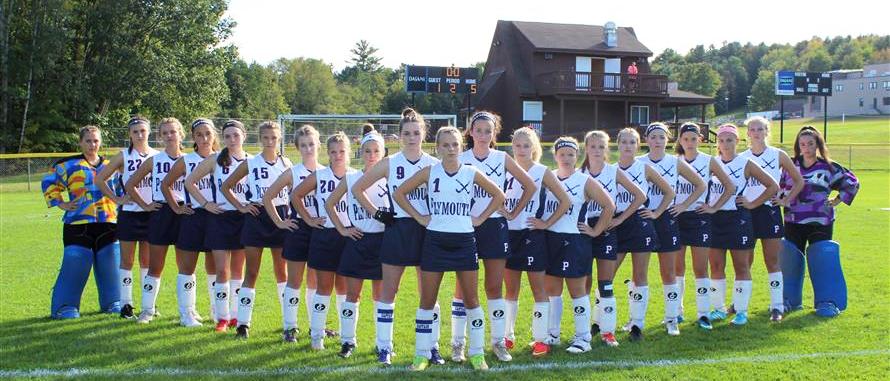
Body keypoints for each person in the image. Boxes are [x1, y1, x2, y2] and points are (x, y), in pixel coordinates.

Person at [394, 126, 505, 371]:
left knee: (472, 300)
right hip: (435, 241)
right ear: (438, 148)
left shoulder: (471, 172)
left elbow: (499, 196)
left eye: (455, 144)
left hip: (465, 242)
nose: (451, 149)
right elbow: (399, 193)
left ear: (461, 146)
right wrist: (421, 217)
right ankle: (421, 355)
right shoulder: (429, 172)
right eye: (446, 145)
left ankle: (477, 354)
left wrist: (480, 219)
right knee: (426, 300)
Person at [351, 108, 442, 365]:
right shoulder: (391, 163)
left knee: (429, 294)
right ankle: (384, 347)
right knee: (388, 292)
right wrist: (378, 213)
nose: (412, 137)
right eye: (406, 133)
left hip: (426, 230)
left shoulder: (434, 164)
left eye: (416, 133)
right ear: (399, 136)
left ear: (424, 134)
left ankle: (430, 347)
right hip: (398, 230)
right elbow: (359, 189)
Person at [455, 111, 535, 363]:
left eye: (488, 131)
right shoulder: (460, 158)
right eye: (478, 130)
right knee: (462, 289)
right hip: (465, 227)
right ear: (470, 132)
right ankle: (458, 343)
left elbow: (529, 185)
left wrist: (512, 212)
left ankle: (498, 342)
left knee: (493, 286)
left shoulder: (502, 157)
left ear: (493, 134)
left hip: (495, 226)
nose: (482, 135)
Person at [539, 137, 615, 354]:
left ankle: (583, 338)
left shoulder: (584, 181)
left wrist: (595, 230)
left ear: (577, 156)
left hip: (574, 241)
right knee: (552, 290)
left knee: (577, 290)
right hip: (551, 239)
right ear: (555, 156)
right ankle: (552, 334)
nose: (566, 158)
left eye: (571, 154)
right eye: (562, 154)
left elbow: (609, 206)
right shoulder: (549, 178)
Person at [502, 127, 570, 358]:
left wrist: (545, 222)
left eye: (526, 145)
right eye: (518, 145)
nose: (522, 150)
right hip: (508, 235)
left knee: (538, 289)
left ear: (534, 148)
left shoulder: (541, 171)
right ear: (512, 147)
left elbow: (565, 200)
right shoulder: (504, 168)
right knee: (510, 289)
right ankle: (507, 337)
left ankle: (540, 339)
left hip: (532, 235)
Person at [221, 121, 292, 339]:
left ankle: (289, 322)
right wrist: (242, 206)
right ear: (260, 138)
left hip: (280, 215)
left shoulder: (286, 163)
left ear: (279, 139)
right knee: (251, 272)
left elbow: (293, 191)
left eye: (274, 138)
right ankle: (243, 323)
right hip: (257, 217)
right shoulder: (251, 163)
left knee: (282, 272)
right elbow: (226, 186)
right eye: (266, 138)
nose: (270, 142)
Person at [42, 125, 121, 319]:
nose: (92, 144)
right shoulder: (67, 165)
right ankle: (65, 306)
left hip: (109, 224)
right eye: (88, 141)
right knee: (76, 261)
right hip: (78, 226)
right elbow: (48, 182)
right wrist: (61, 203)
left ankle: (113, 302)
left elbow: (122, 189)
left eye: (95, 140)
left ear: (100, 142)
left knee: (110, 264)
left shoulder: (112, 165)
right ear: (80, 142)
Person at [780, 126, 859, 317]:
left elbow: (852, 183)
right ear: (798, 146)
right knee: (790, 260)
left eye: (810, 144)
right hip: (793, 220)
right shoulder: (790, 165)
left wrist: (836, 200)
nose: (806, 147)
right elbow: (777, 186)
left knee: (823, 259)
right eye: (802, 144)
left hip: (820, 222)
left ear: (818, 145)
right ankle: (789, 300)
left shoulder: (829, 167)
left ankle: (827, 302)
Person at [637, 123, 706, 336]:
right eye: (653, 137)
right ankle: (635, 321)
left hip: (667, 219)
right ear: (646, 140)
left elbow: (701, 185)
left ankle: (672, 318)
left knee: (669, 271)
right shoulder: (638, 163)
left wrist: (684, 206)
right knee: (639, 273)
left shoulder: (675, 162)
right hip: (643, 219)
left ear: (668, 140)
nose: (657, 141)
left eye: (661, 137)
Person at [326, 128, 389, 358]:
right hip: (358, 240)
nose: (372, 155)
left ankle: (383, 343)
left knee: (381, 297)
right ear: (361, 153)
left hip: (383, 242)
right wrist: (343, 229)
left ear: (383, 153)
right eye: (367, 151)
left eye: (376, 151)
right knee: (352, 296)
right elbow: (330, 204)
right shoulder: (351, 178)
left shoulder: (389, 177)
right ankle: (348, 341)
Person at [706, 124, 778, 326]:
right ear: (717, 143)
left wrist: (753, 203)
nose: (725, 144)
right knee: (716, 265)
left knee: (741, 265)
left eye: (730, 140)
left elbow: (773, 185)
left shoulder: (745, 163)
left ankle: (741, 311)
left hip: (739, 219)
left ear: (737, 141)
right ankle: (719, 309)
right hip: (715, 219)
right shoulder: (712, 163)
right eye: (721, 140)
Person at [183, 120, 251, 332]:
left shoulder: (252, 161)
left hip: (243, 219)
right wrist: (205, 203)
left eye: (236, 135)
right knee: (222, 270)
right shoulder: (215, 159)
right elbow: (189, 182)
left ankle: (236, 317)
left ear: (244, 136)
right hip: (220, 218)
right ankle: (221, 318)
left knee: (238, 271)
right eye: (228, 136)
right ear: (222, 138)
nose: (232, 140)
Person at [579, 130, 644, 346]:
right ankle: (584, 330)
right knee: (584, 285)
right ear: (586, 148)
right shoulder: (579, 172)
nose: (597, 150)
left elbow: (640, 196)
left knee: (606, 283)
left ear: (607, 149)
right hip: (583, 231)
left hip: (607, 230)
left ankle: (608, 331)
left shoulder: (612, 172)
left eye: (601, 146)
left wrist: (620, 219)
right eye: (593, 146)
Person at [263, 124, 326, 343]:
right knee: (294, 280)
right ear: (297, 148)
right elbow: (267, 197)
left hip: (320, 230)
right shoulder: (292, 172)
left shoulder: (325, 171)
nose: (308, 149)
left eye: (311, 144)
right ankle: (289, 328)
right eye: (303, 145)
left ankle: (315, 326)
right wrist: (280, 222)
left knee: (315, 282)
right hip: (298, 229)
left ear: (318, 145)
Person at [292, 132, 353, 350]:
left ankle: (347, 337)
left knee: (345, 288)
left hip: (349, 237)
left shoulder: (355, 176)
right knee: (323, 287)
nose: (338, 155)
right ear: (327, 153)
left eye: (342, 151)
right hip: (325, 235)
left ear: (349, 153)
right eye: (334, 151)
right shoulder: (319, 175)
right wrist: (308, 218)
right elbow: (295, 195)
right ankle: (317, 336)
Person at [612, 127, 674, 341]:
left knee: (640, 275)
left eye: (632, 142)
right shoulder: (611, 169)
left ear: (638, 146)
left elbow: (669, 192)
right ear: (617, 144)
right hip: (617, 225)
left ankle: (637, 324)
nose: (628, 146)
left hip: (639, 223)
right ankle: (601, 323)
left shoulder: (644, 168)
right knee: (607, 275)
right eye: (624, 142)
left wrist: (656, 213)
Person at [673, 122, 736, 330]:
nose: (690, 142)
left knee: (700, 268)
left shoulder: (708, 161)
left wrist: (713, 207)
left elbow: (730, 186)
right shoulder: (674, 161)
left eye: (693, 139)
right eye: (685, 139)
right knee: (677, 267)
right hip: (676, 217)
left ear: (700, 139)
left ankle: (703, 314)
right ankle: (677, 312)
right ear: (680, 140)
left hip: (699, 218)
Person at [740, 116, 804, 322]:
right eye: (752, 129)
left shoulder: (778, 154)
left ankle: (777, 307)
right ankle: (740, 306)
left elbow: (798, 181)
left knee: (772, 261)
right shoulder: (742, 157)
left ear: (767, 131)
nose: (756, 132)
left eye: (760, 129)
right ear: (747, 133)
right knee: (745, 262)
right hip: (747, 213)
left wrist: (786, 200)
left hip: (769, 212)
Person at [95, 117, 158, 319]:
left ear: (149, 132)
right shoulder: (123, 156)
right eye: (135, 132)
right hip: (130, 214)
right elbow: (99, 179)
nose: (140, 135)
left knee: (147, 261)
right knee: (127, 260)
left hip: (152, 214)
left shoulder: (158, 155)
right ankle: (126, 304)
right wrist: (117, 199)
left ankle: (148, 305)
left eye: (143, 131)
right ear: (130, 135)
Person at [126, 118, 187, 324]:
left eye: (173, 132)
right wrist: (145, 205)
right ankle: (147, 310)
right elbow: (131, 184)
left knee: (185, 266)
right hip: (160, 213)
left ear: (180, 134)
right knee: (155, 266)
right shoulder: (154, 160)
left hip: (183, 213)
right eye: (165, 133)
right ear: (160, 136)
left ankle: (187, 311)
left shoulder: (190, 160)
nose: (170, 136)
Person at [162, 118, 219, 327]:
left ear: (214, 135)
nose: (204, 138)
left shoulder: (223, 159)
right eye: (199, 135)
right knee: (187, 267)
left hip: (217, 216)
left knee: (215, 268)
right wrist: (177, 208)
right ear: (193, 137)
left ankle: (217, 311)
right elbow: (166, 184)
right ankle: (186, 313)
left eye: (207, 134)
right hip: (194, 217)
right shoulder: (186, 161)